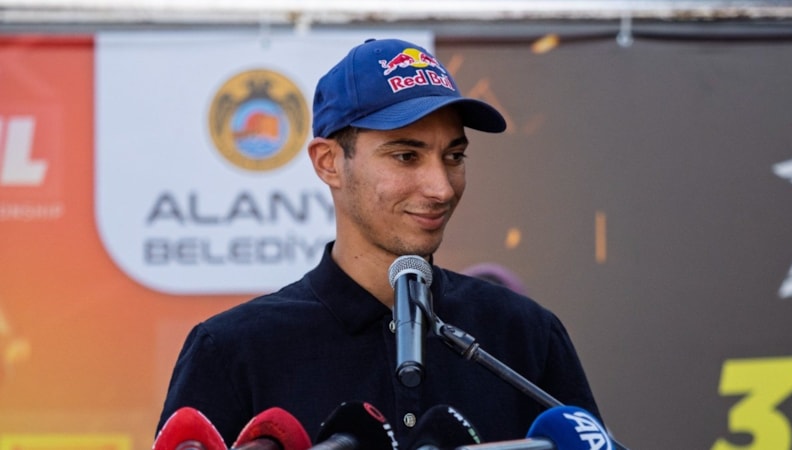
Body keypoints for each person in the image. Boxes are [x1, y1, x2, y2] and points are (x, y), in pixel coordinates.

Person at [156, 38, 601, 447]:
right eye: (406, 156)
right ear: (328, 162)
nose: (441, 188)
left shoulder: (525, 334)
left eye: (454, 156)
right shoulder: (232, 349)